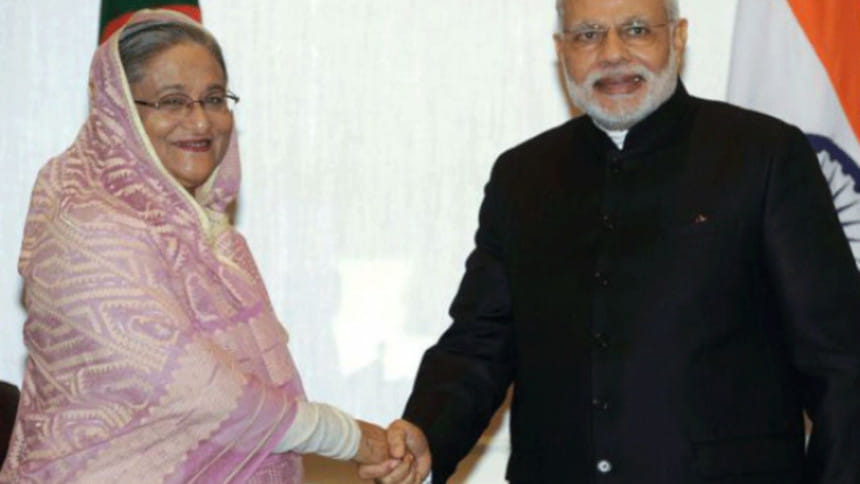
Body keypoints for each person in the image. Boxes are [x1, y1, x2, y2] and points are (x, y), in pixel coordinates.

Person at [361, 0, 860, 482]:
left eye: (637, 30)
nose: (613, 53)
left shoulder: (764, 156)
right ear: (561, 50)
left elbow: (841, 364)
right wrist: (428, 433)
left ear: (678, 37)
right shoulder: (522, 177)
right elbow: (479, 344)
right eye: (588, 35)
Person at [0, 10, 397, 483]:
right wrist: (349, 437)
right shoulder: (85, 233)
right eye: (172, 101)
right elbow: (196, 391)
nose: (201, 120)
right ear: (118, 111)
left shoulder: (216, 241)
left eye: (213, 98)